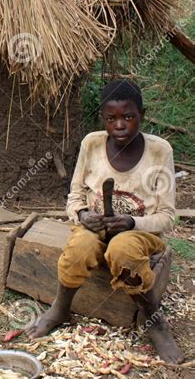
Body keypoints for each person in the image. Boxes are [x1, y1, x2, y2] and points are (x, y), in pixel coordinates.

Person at [28, 79, 184, 364]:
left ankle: (155, 322)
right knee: (79, 248)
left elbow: (167, 217)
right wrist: (83, 216)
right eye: (111, 118)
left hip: (139, 233)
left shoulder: (160, 152)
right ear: (103, 119)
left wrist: (131, 223)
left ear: (142, 116)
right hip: (96, 225)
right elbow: (75, 197)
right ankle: (60, 307)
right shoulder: (92, 143)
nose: (120, 125)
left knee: (122, 251)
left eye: (128, 117)